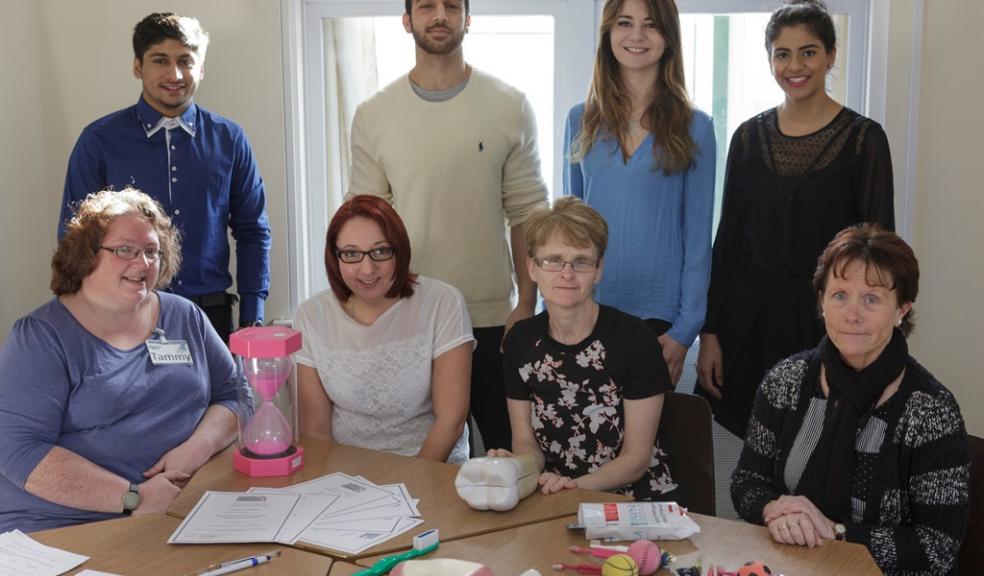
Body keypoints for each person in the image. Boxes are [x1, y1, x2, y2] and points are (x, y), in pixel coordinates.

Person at [348, 0, 549, 452]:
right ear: (407, 20)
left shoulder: (509, 106)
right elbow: (366, 223)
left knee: (507, 454)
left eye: (451, 6)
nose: (440, 15)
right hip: (407, 315)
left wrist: (528, 303)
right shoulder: (373, 114)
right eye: (426, 6)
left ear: (467, 19)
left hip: (493, 320)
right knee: (420, 460)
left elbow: (527, 214)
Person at [697, 0, 895, 437]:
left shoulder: (864, 140)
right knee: (744, 457)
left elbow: (880, 254)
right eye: (782, 53)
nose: (795, 65)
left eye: (808, 51)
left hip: (824, 325)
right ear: (770, 60)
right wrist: (710, 333)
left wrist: (871, 335)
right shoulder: (748, 137)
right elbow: (727, 241)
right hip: (747, 324)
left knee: (818, 455)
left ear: (831, 55)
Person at [0, 188, 243, 533]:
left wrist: (197, 448)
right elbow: (17, 450)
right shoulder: (41, 338)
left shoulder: (183, 316)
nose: (142, 263)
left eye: (151, 251)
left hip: (179, 507)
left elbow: (235, 394)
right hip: (63, 525)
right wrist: (134, 497)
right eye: (125, 250)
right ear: (86, 255)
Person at [730, 224, 969, 575]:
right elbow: (747, 481)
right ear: (822, 302)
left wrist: (834, 533)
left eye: (871, 299)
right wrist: (774, 510)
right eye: (839, 295)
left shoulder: (930, 410)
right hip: (787, 565)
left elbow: (937, 548)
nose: (852, 314)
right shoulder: (786, 381)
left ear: (902, 309)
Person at [60, 12, 271, 342]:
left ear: (200, 68)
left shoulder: (230, 140)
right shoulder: (99, 141)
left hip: (210, 318)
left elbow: (252, 230)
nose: (174, 74)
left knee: (219, 397)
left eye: (185, 61)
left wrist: (252, 318)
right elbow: (74, 239)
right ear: (137, 66)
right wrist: (81, 322)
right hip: (121, 316)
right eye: (160, 60)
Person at [564, 0, 715, 385]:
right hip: (589, 307)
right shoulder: (579, 119)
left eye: (650, 25)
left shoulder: (696, 127)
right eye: (625, 23)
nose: (636, 35)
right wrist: (560, 306)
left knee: (647, 443)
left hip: (660, 318)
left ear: (668, 37)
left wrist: (686, 329)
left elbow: (698, 239)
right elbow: (571, 231)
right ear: (608, 34)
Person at [491, 197, 676, 500]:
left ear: (599, 268)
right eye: (552, 260)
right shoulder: (520, 342)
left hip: (631, 500)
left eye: (581, 261)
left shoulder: (635, 339)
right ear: (532, 268)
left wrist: (574, 488)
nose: (567, 274)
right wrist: (519, 466)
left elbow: (636, 460)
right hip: (551, 495)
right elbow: (526, 443)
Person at [294, 195, 474, 464]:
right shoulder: (311, 315)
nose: (367, 269)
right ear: (335, 257)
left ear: (399, 251)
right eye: (352, 254)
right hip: (346, 477)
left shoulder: (443, 303)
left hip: (432, 470)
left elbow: (451, 422)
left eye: (380, 251)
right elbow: (315, 431)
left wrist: (408, 488)